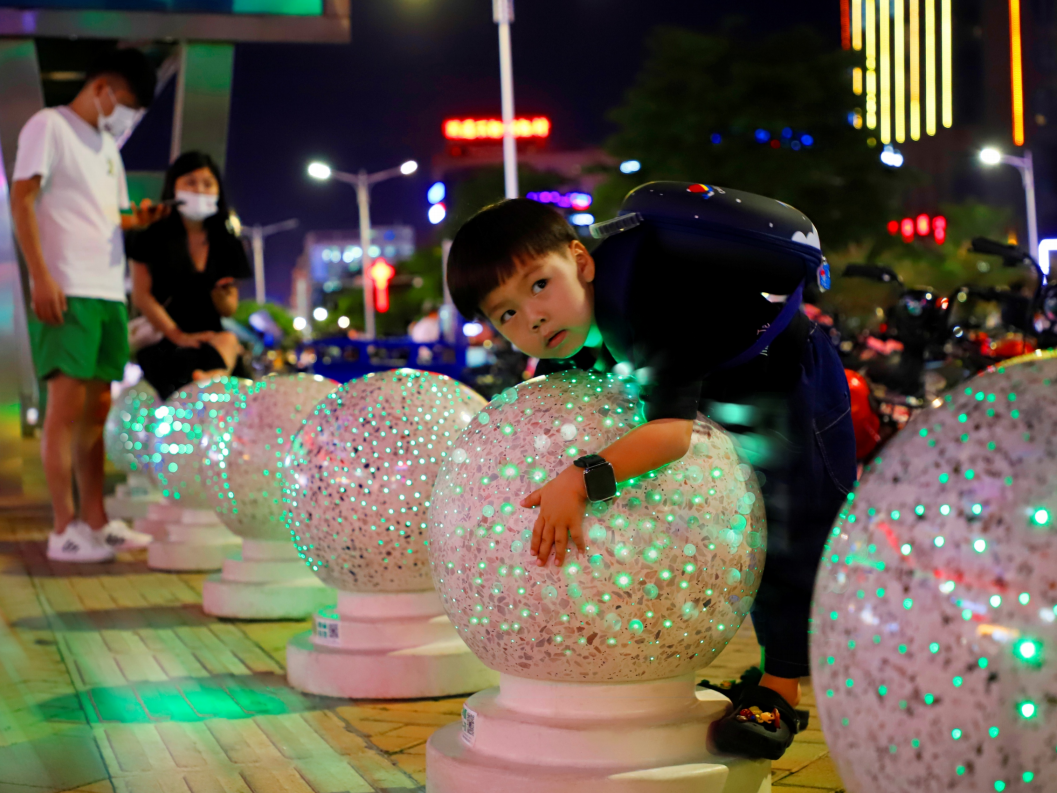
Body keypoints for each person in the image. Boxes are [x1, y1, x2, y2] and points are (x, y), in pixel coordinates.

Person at [446, 185, 856, 761]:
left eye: (539, 285)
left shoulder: (649, 301)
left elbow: (669, 434)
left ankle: (780, 689)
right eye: (506, 313)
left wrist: (578, 480)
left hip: (785, 376)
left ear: (581, 261)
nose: (533, 317)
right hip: (715, 375)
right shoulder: (576, 333)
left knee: (790, 523)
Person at [12, 48, 161, 563]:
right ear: (102, 88)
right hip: (67, 287)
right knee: (64, 409)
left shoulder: (107, 147)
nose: (128, 116)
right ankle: (63, 528)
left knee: (97, 411)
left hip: (108, 292)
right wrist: (40, 276)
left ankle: (96, 522)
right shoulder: (48, 126)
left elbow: (111, 215)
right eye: (128, 104)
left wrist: (138, 219)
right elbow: (22, 197)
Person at [128, 151, 251, 400]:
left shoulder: (228, 242)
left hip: (211, 339)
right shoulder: (150, 236)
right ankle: (211, 381)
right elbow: (141, 296)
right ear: (173, 186)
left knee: (229, 345)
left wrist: (222, 296)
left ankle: (211, 380)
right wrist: (179, 336)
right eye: (191, 182)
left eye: (208, 184)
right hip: (163, 339)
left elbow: (229, 309)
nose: (200, 190)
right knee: (193, 385)